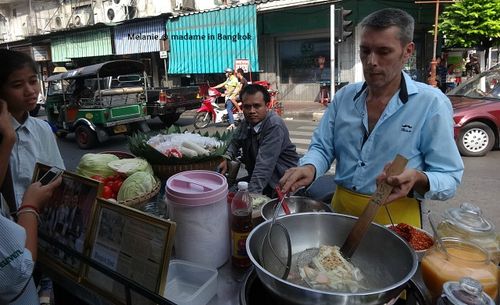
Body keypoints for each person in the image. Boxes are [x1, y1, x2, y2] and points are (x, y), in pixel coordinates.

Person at [280, 8, 464, 228]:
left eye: (383, 51)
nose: (371, 61)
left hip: (395, 221)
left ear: (407, 51)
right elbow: (322, 148)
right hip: (340, 213)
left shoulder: (431, 104)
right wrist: (310, 167)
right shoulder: (344, 97)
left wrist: (418, 178)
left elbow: (449, 177)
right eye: (365, 51)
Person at [0, 49, 65, 305]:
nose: (29, 90)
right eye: (17, 84)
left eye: (32, 81)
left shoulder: (42, 129)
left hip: (40, 231)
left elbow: (57, 173)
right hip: (9, 245)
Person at [218, 84, 299, 196]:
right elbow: (235, 141)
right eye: (247, 107)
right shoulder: (247, 122)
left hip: (281, 182)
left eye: (257, 106)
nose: (251, 111)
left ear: (267, 106)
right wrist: (226, 157)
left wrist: (251, 197)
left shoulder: (274, 125)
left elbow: (264, 166)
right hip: (258, 178)